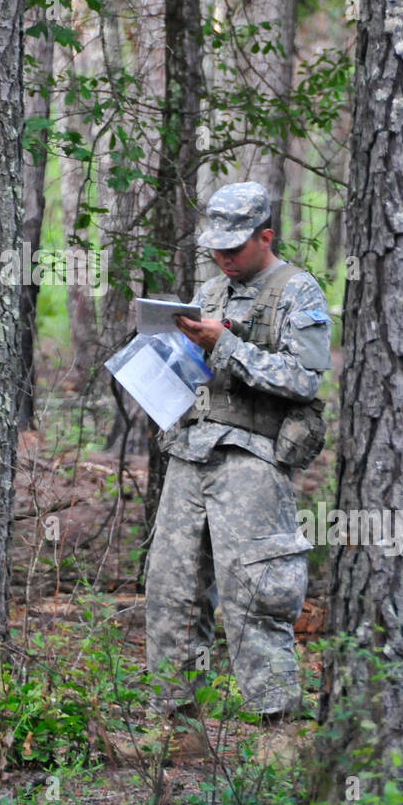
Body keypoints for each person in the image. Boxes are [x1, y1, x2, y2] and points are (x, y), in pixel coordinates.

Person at [144, 182, 331, 737]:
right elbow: (199, 371)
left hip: (253, 459)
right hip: (191, 454)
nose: (224, 258)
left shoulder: (298, 291)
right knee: (171, 591)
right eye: (217, 249)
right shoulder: (210, 290)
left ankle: (279, 735)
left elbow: (304, 377)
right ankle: (178, 733)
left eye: (236, 247)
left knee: (257, 595)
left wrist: (225, 344)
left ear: (266, 236)